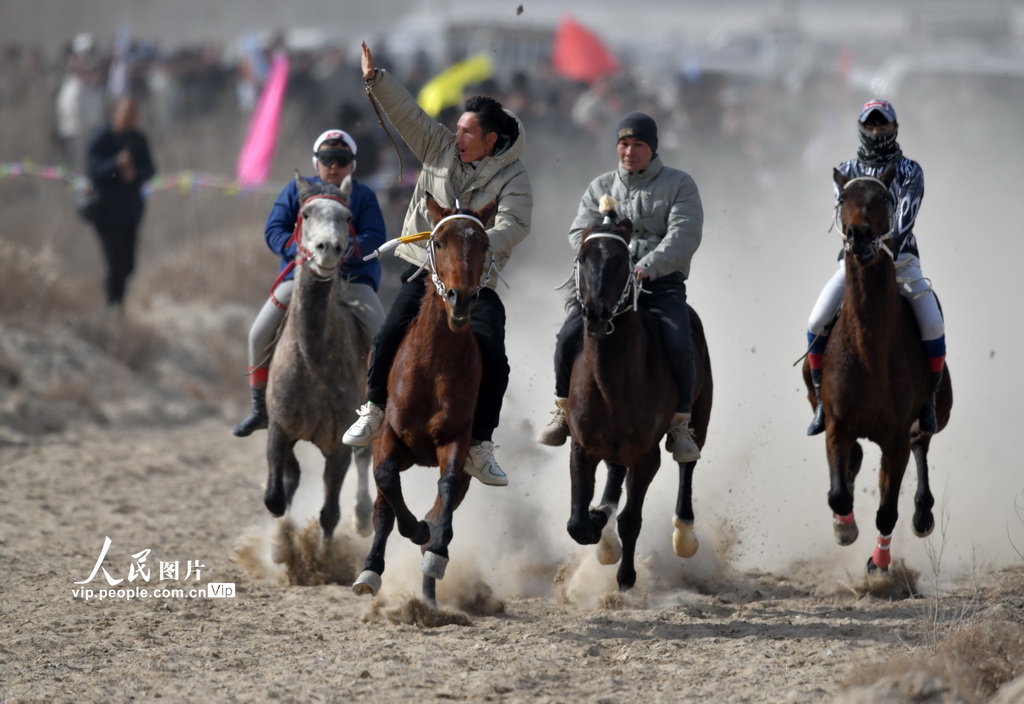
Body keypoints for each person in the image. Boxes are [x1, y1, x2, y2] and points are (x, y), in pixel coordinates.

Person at [341, 41, 533, 487]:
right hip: (424, 273)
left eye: (468, 132)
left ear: (492, 140)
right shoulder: (439, 148)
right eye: (458, 129)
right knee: (389, 332)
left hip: (476, 283)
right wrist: (376, 80)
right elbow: (409, 115)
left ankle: (480, 445)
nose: (457, 136)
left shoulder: (514, 178)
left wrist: (471, 244)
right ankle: (372, 410)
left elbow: (515, 224)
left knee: (495, 361)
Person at [535, 112, 703, 463]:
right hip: (608, 289)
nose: (629, 151)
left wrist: (645, 267)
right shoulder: (600, 187)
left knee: (679, 340)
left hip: (659, 285)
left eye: (638, 144)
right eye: (623, 144)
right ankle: (561, 410)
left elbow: (683, 236)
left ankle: (680, 423)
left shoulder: (680, 184)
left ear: (652, 148)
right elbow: (577, 232)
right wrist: (604, 257)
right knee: (568, 336)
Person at [231, 129, 387, 437]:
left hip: (352, 281)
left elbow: (375, 238)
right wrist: (301, 250)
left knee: (383, 338)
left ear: (352, 165)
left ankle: (382, 408)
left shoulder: (364, 196)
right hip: (301, 279)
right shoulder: (295, 191)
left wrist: (343, 251)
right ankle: (260, 408)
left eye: (342, 160)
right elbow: (274, 229)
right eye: (327, 159)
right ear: (316, 162)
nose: (334, 166)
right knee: (257, 333)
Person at [805, 99, 945, 436]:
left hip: (902, 262)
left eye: (883, 125)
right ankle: (823, 402)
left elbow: (905, 219)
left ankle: (927, 402)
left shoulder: (911, 170)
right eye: (871, 125)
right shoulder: (845, 171)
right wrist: (859, 251)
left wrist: (882, 247)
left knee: (933, 324)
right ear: (861, 128)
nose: (876, 131)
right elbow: (842, 218)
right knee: (816, 321)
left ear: (894, 128)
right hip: (854, 267)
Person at [85, 95, 156, 309]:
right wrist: (116, 165)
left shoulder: (138, 139)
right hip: (106, 212)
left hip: (131, 212)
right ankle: (113, 308)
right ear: (115, 113)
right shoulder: (101, 137)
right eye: (126, 113)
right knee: (115, 264)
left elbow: (150, 169)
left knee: (128, 266)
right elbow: (93, 169)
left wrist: (134, 174)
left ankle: (119, 303)